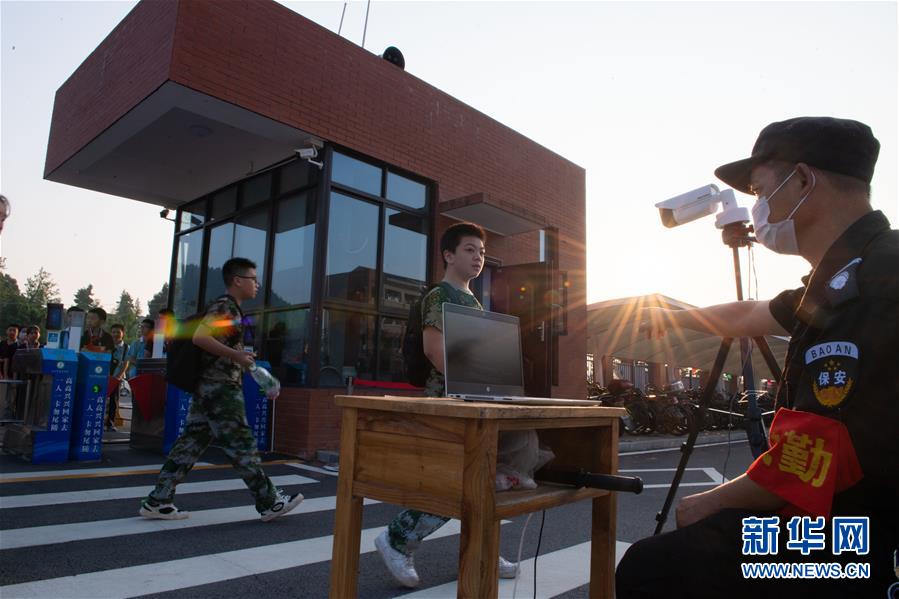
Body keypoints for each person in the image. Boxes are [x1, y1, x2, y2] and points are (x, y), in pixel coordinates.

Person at [617, 117, 898, 598]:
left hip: (866, 538)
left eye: (762, 190)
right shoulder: (849, 272)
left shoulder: (869, 285)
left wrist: (708, 503)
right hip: (849, 513)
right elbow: (750, 313)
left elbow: (822, 455)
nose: (757, 209)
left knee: (654, 567)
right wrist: (670, 317)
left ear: (804, 180)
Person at [373, 222, 520, 588]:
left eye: (482, 252)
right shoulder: (440, 296)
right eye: (470, 250)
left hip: (474, 400)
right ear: (448, 255)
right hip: (449, 402)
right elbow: (434, 351)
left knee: (482, 481)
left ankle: (483, 548)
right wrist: (475, 382)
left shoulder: (472, 301)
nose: (478, 257)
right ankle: (397, 538)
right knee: (457, 482)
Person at [139, 257, 302, 522]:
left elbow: (214, 344)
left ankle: (158, 499)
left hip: (209, 388)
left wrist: (240, 358)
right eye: (253, 279)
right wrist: (236, 356)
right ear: (237, 280)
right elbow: (200, 337)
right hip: (220, 390)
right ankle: (269, 501)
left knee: (191, 444)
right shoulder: (226, 307)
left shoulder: (229, 309)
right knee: (241, 443)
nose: (257, 284)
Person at [106, 324, 129, 431]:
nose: (115, 334)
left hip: (116, 378)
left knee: (113, 401)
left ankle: (110, 423)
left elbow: (126, 363)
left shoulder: (126, 348)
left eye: (118, 332)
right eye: (113, 332)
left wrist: (118, 377)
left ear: (123, 333)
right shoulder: (106, 345)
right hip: (104, 376)